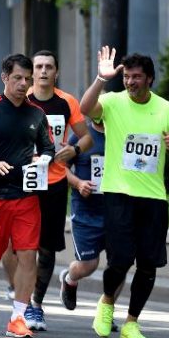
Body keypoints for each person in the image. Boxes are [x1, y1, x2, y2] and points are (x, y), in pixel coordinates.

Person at [79, 46, 169, 338]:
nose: (130, 82)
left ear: (149, 79)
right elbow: (84, 108)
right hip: (118, 193)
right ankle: (106, 302)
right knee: (120, 259)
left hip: (153, 198)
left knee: (148, 264)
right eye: (127, 76)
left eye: (137, 77)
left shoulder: (167, 109)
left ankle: (132, 322)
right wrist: (101, 79)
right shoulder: (113, 102)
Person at [0, 53, 60, 338]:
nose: (23, 84)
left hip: (25, 196)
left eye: (27, 79)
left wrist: (44, 159)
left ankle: (18, 316)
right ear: (5, 77)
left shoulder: (36, 114)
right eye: (18, 78)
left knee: (29, 256)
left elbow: (49, 147)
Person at [1, 50, 91, 332]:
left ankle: (35, 305)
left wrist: (74, 149)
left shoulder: (67, 102)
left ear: (56, 72)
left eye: (48, 67)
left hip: (52, 181)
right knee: (14, 245)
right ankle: (19, 291)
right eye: (38, 67)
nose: (42, 72)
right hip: (21, 180)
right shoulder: (20, 99)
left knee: (47, 247)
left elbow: (86, 136)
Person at [59, 116, 123, 325]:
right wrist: (78, 183)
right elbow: (61, 166)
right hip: (86, 212)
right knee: (89, 264)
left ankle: (107, 310)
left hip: (116, 211)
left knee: (119, 264)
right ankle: (70, 278)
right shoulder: (80, 136)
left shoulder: (121, 134)